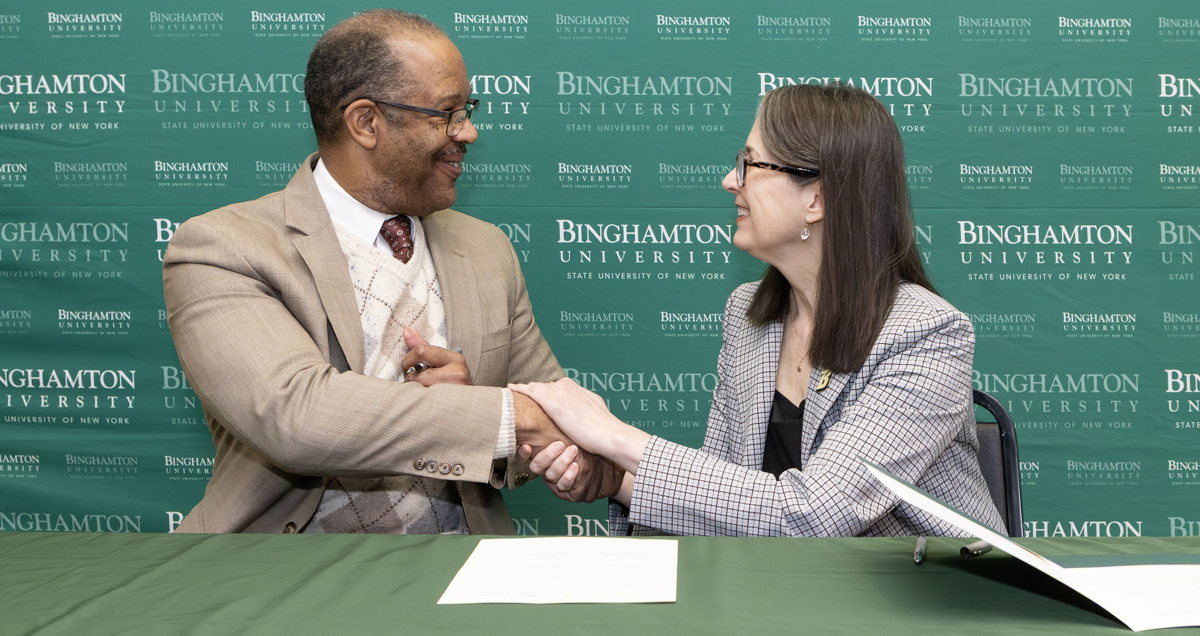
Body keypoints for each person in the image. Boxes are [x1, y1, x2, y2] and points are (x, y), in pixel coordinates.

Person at [162, 9, 618, 535]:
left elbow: (551, 413)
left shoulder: (487, 249)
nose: (468, 131)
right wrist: (504, 419)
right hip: (285, 579)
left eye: (467, 108)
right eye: (446, 112)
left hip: (463, 576)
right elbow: (295, 416)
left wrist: (575, 460)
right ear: (366, 123)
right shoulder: (224, 247)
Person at [512, 83, 1005, 537]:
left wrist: (610, 434)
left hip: (923, 602)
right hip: (789, 591)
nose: (730, 181)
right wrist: (613, 480)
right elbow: (727, 496)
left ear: (818, 197)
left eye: (750, 164)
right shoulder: (747, 314)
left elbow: (815, 514)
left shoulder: (928, 333)